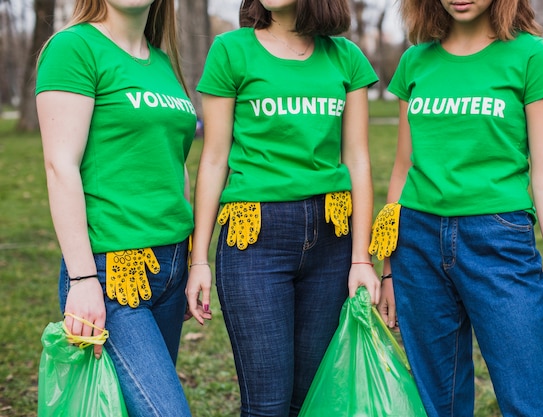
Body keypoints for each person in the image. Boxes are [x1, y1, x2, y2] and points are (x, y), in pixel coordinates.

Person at [369, 0, 543, 416]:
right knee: (438, 403)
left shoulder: (532, 56)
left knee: (533, 401)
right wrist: (389, 267)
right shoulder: (415, 61)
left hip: (498, 241)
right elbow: (401, 170)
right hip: (416, 243)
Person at [186, 0, 381, 415]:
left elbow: (358, 160)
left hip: (333, 238)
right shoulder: (230, 51)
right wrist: (199, 259)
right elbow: (214, 159)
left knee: (311, 401)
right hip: (255, 238)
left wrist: (362, 259)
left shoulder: (346, 57)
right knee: (268, 405)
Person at [35, 0, 196, 415]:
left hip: (172, 263)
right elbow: (60, 166)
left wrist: (191, 260)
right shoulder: (74, 48)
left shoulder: (161, 61)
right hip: (111, 273)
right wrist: (83, 277)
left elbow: (175, 163)